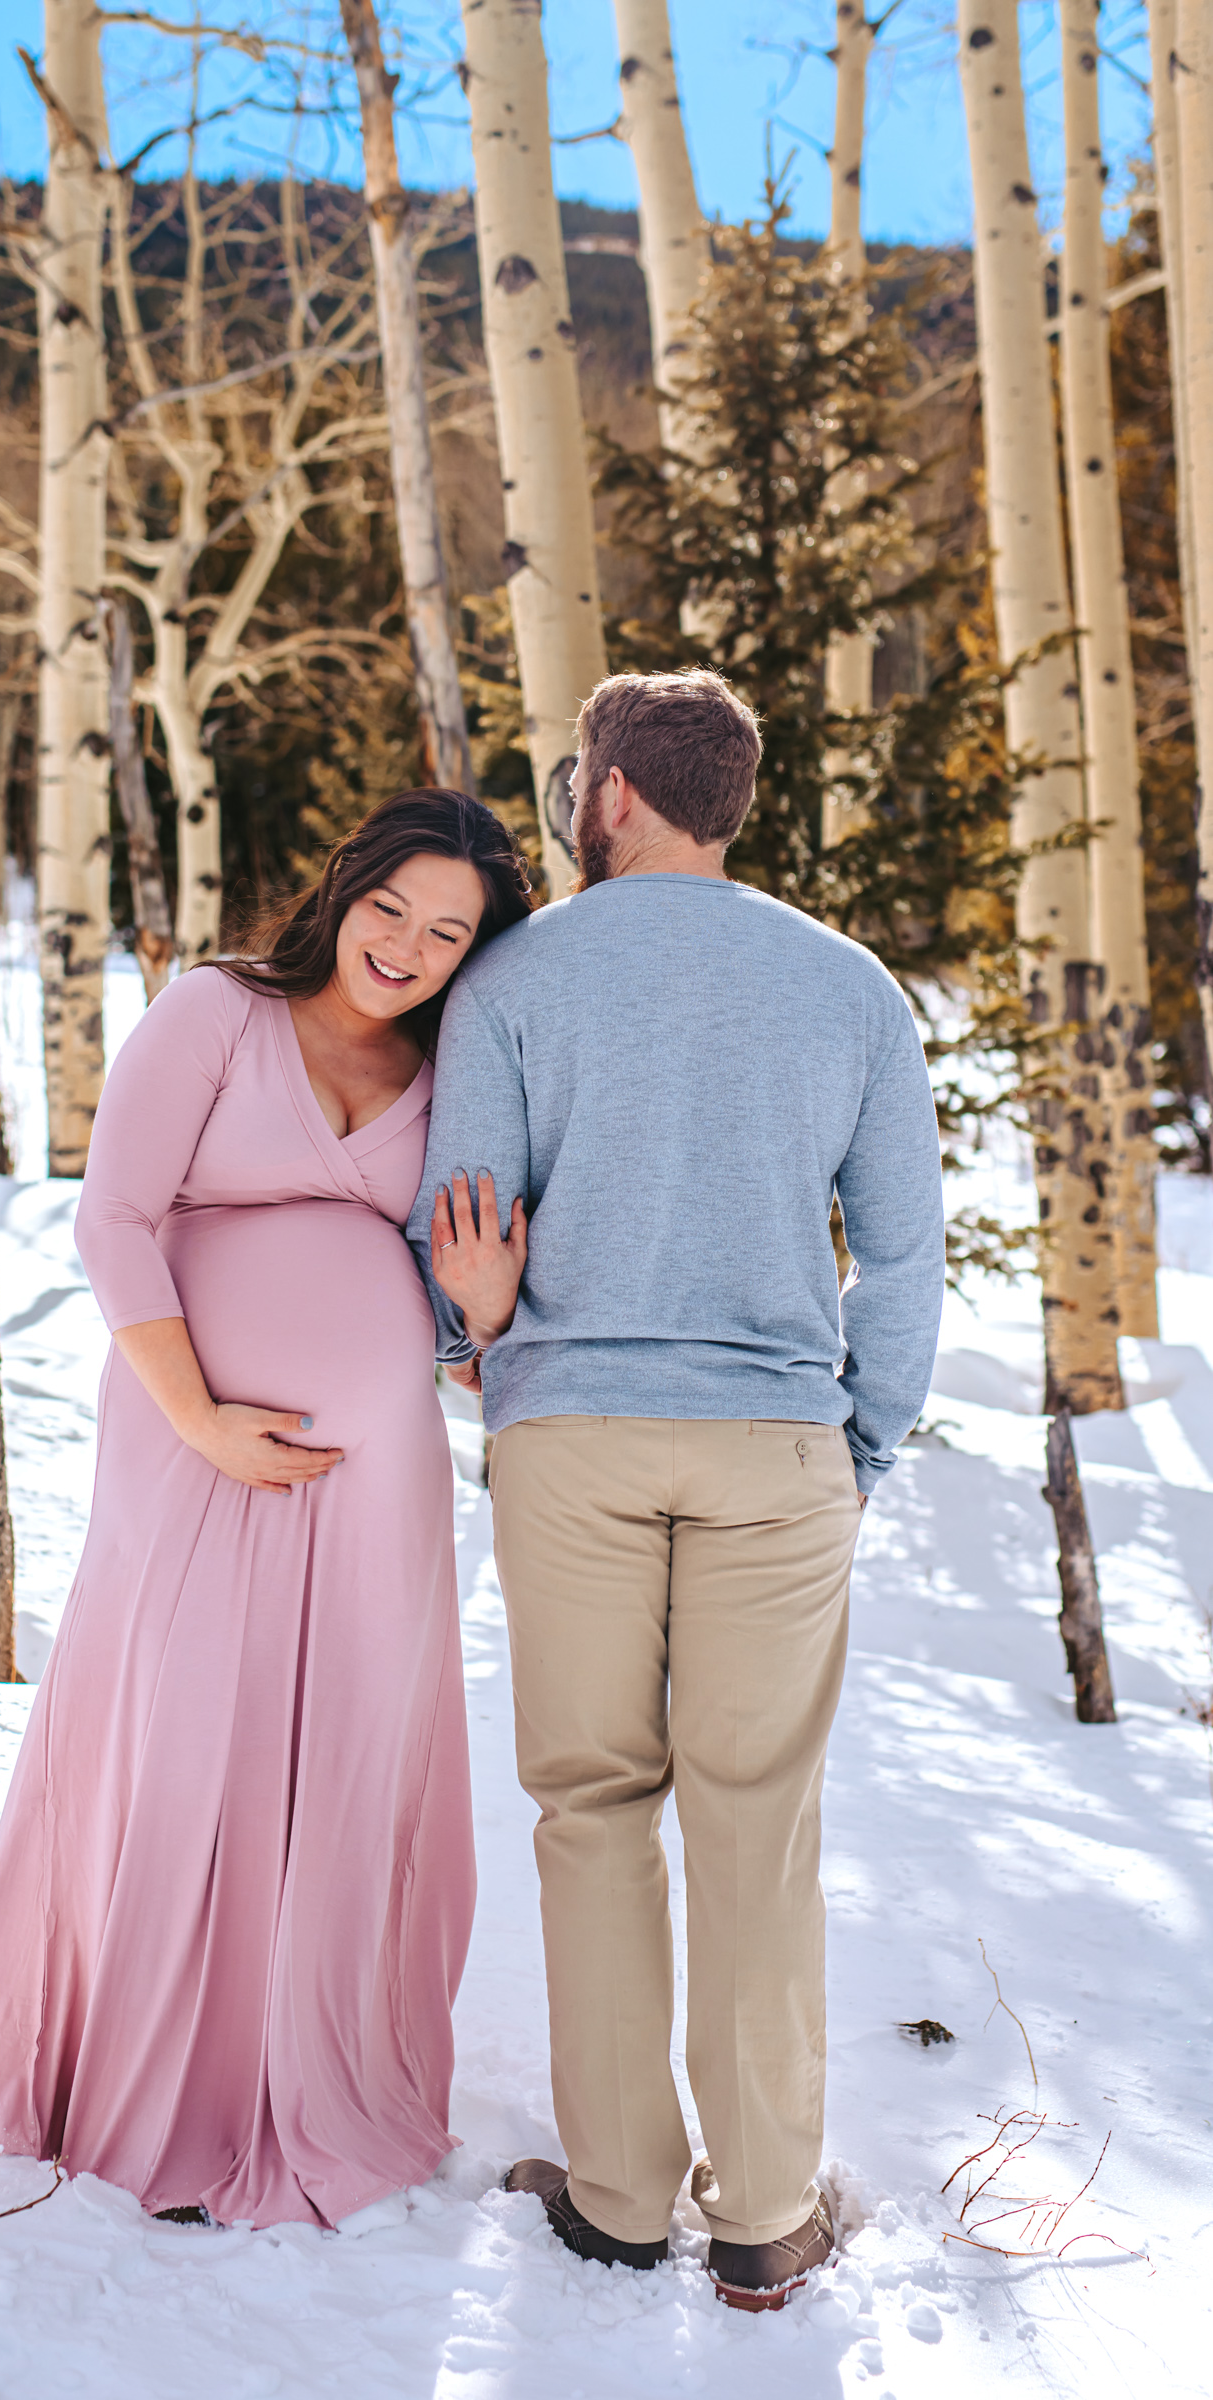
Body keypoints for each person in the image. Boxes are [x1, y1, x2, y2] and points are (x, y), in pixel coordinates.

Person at [0, 788, 532, 2230]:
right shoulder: (216, 1011)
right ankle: (135, 2084)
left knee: (340, 1744)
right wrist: (198, 1415)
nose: (407, 947)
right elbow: (112, 1216)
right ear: (346, 886)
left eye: (449, 932)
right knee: (180, 1731)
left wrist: (481, 1317)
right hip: (185, 1438)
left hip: (375, 1488)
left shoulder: (455, 1070)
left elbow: (459, 1282)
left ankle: (297, 2071)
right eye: (393, 908)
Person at [411, 669, 944, 2312]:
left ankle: (623, 2198)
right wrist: (858, 1445)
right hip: (774, 1449)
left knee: (592, 1814)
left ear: (616, 794)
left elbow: (460, 1232)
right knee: (756, 1826)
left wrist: (471, 1335)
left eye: (580, 782)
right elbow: (905, 1255)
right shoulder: (850, 986)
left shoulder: (510, 980)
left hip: (568, 1433)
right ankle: (771, 2209)